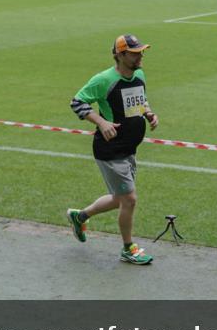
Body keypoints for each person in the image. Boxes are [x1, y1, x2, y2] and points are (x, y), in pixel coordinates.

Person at [67, 34, 159, 265]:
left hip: (129, 148)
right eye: (135, 52)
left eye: (141, 51)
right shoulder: (104, 80)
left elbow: (140, 99)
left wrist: (148, 112)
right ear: (120, 55)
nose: (140, 56)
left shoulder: (139, 75)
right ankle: (128, 248)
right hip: (110, 149)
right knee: (129, 199)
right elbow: (77, 102)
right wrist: (101, 122)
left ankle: (80, 216)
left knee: (120, 199)